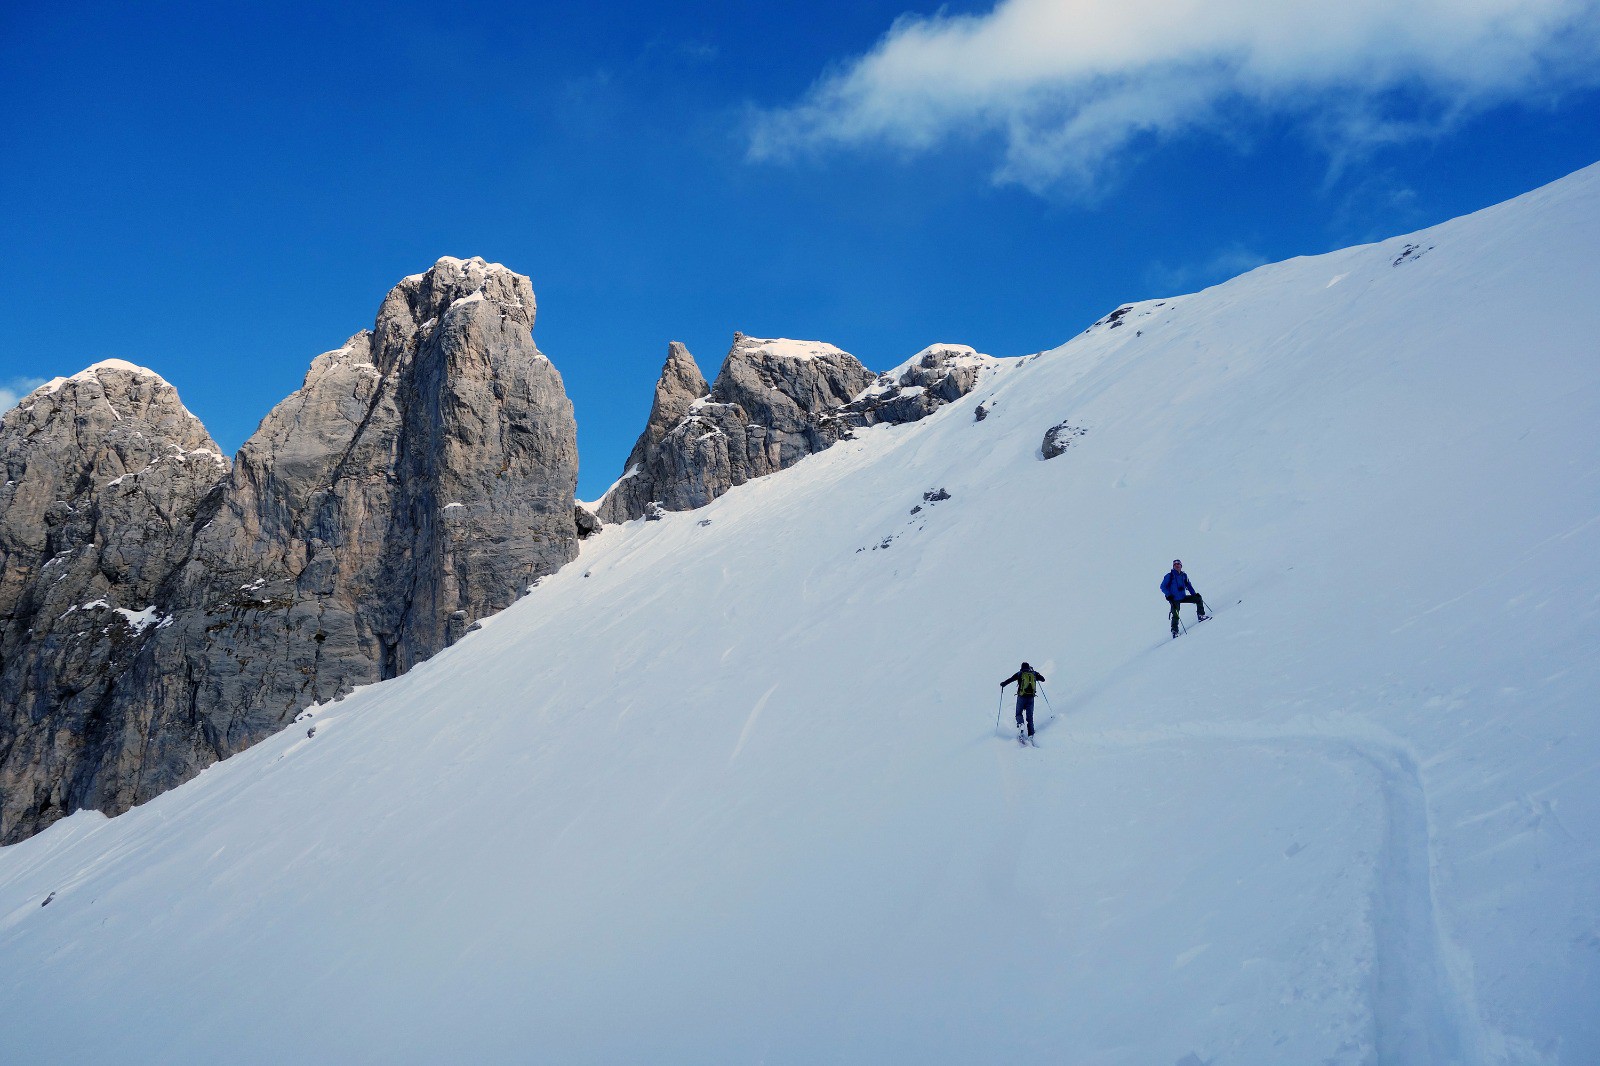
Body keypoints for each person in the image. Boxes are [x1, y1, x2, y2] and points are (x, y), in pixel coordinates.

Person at [1161, 559, 1209, 636]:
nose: (1177, 565)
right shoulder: (1169, 576)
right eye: (1175, 564)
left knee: (1198, 599)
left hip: (1183, 597)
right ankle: (1175, 631)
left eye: (1178, 564)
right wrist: (1168, 595)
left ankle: (1201, 615)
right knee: (1176, 614)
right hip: (1174, 599)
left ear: (1181, 566)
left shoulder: (1184, 575)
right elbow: (1163, 586)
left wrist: (1194, 594)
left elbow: (1188, 585)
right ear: (1173, 566)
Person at [1000, 662, 1046, 738]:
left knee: (1018, 713)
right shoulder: (1033, 673)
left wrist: (1003, 684)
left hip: (1021, 697)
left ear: (1021, 667)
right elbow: (1043, 679)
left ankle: (1021, 725)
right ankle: (1031, 734)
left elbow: (1010, 680)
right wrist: (1035, 673)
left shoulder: (1020, 673)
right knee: (1030, 717)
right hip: (1031, 698)